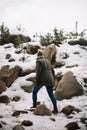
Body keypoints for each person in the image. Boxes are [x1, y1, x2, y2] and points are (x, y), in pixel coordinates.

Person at [31, 49, 58, 114]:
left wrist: (36, 81)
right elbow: (52, 71)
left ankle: (34, 105)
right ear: (42, 56)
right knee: (51, 95)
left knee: (34, 92)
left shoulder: (39, 62)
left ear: (37, 57)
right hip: (50, 79)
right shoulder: (48, 61)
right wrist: (53, 79)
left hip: (42, 80)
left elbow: (38, 72)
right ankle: (55, 109)